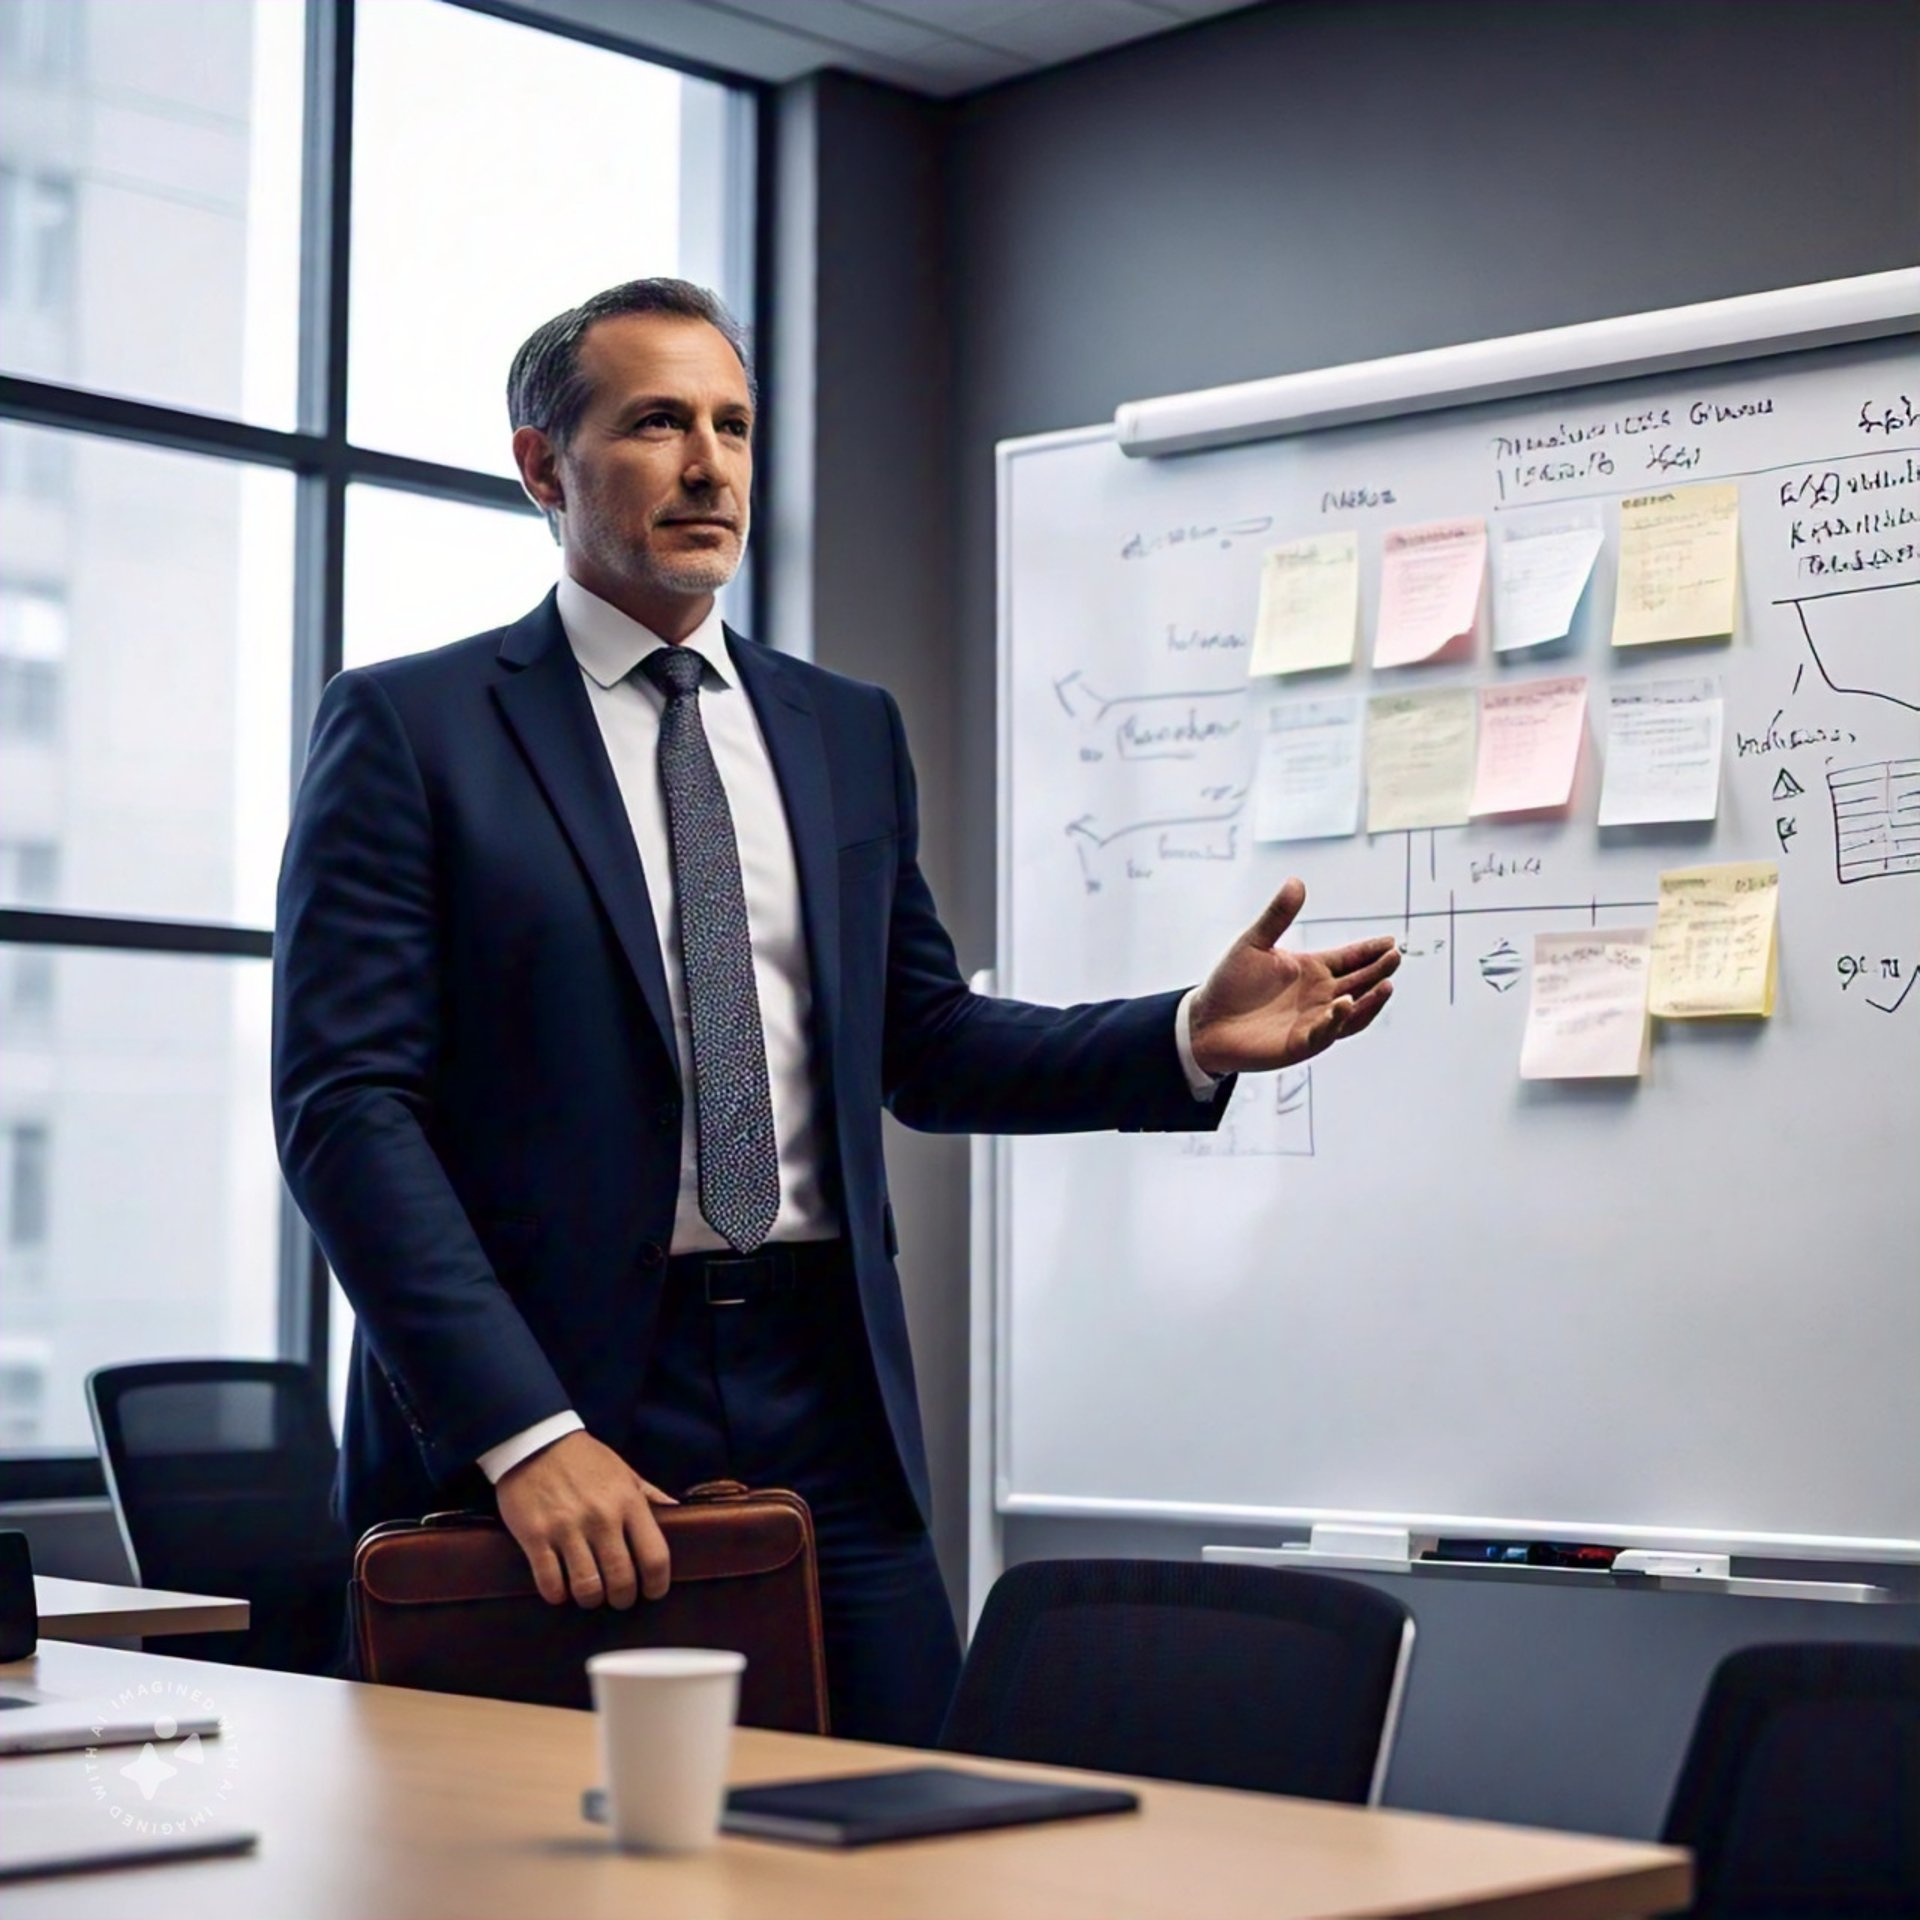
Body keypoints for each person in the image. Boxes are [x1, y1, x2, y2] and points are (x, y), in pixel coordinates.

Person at [272, 278, 1399, 1743]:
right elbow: (348, 1111)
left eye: (734, 425)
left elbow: (919, 1046)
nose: (710, 464)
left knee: (903, 1835)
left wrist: (1180, 1032)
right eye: (658, 422)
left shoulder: (839, 727)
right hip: (561, 1410)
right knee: (547, 1866)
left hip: (827, 1401)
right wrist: (521, 1431)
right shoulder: (412, 728)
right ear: (543, 467)